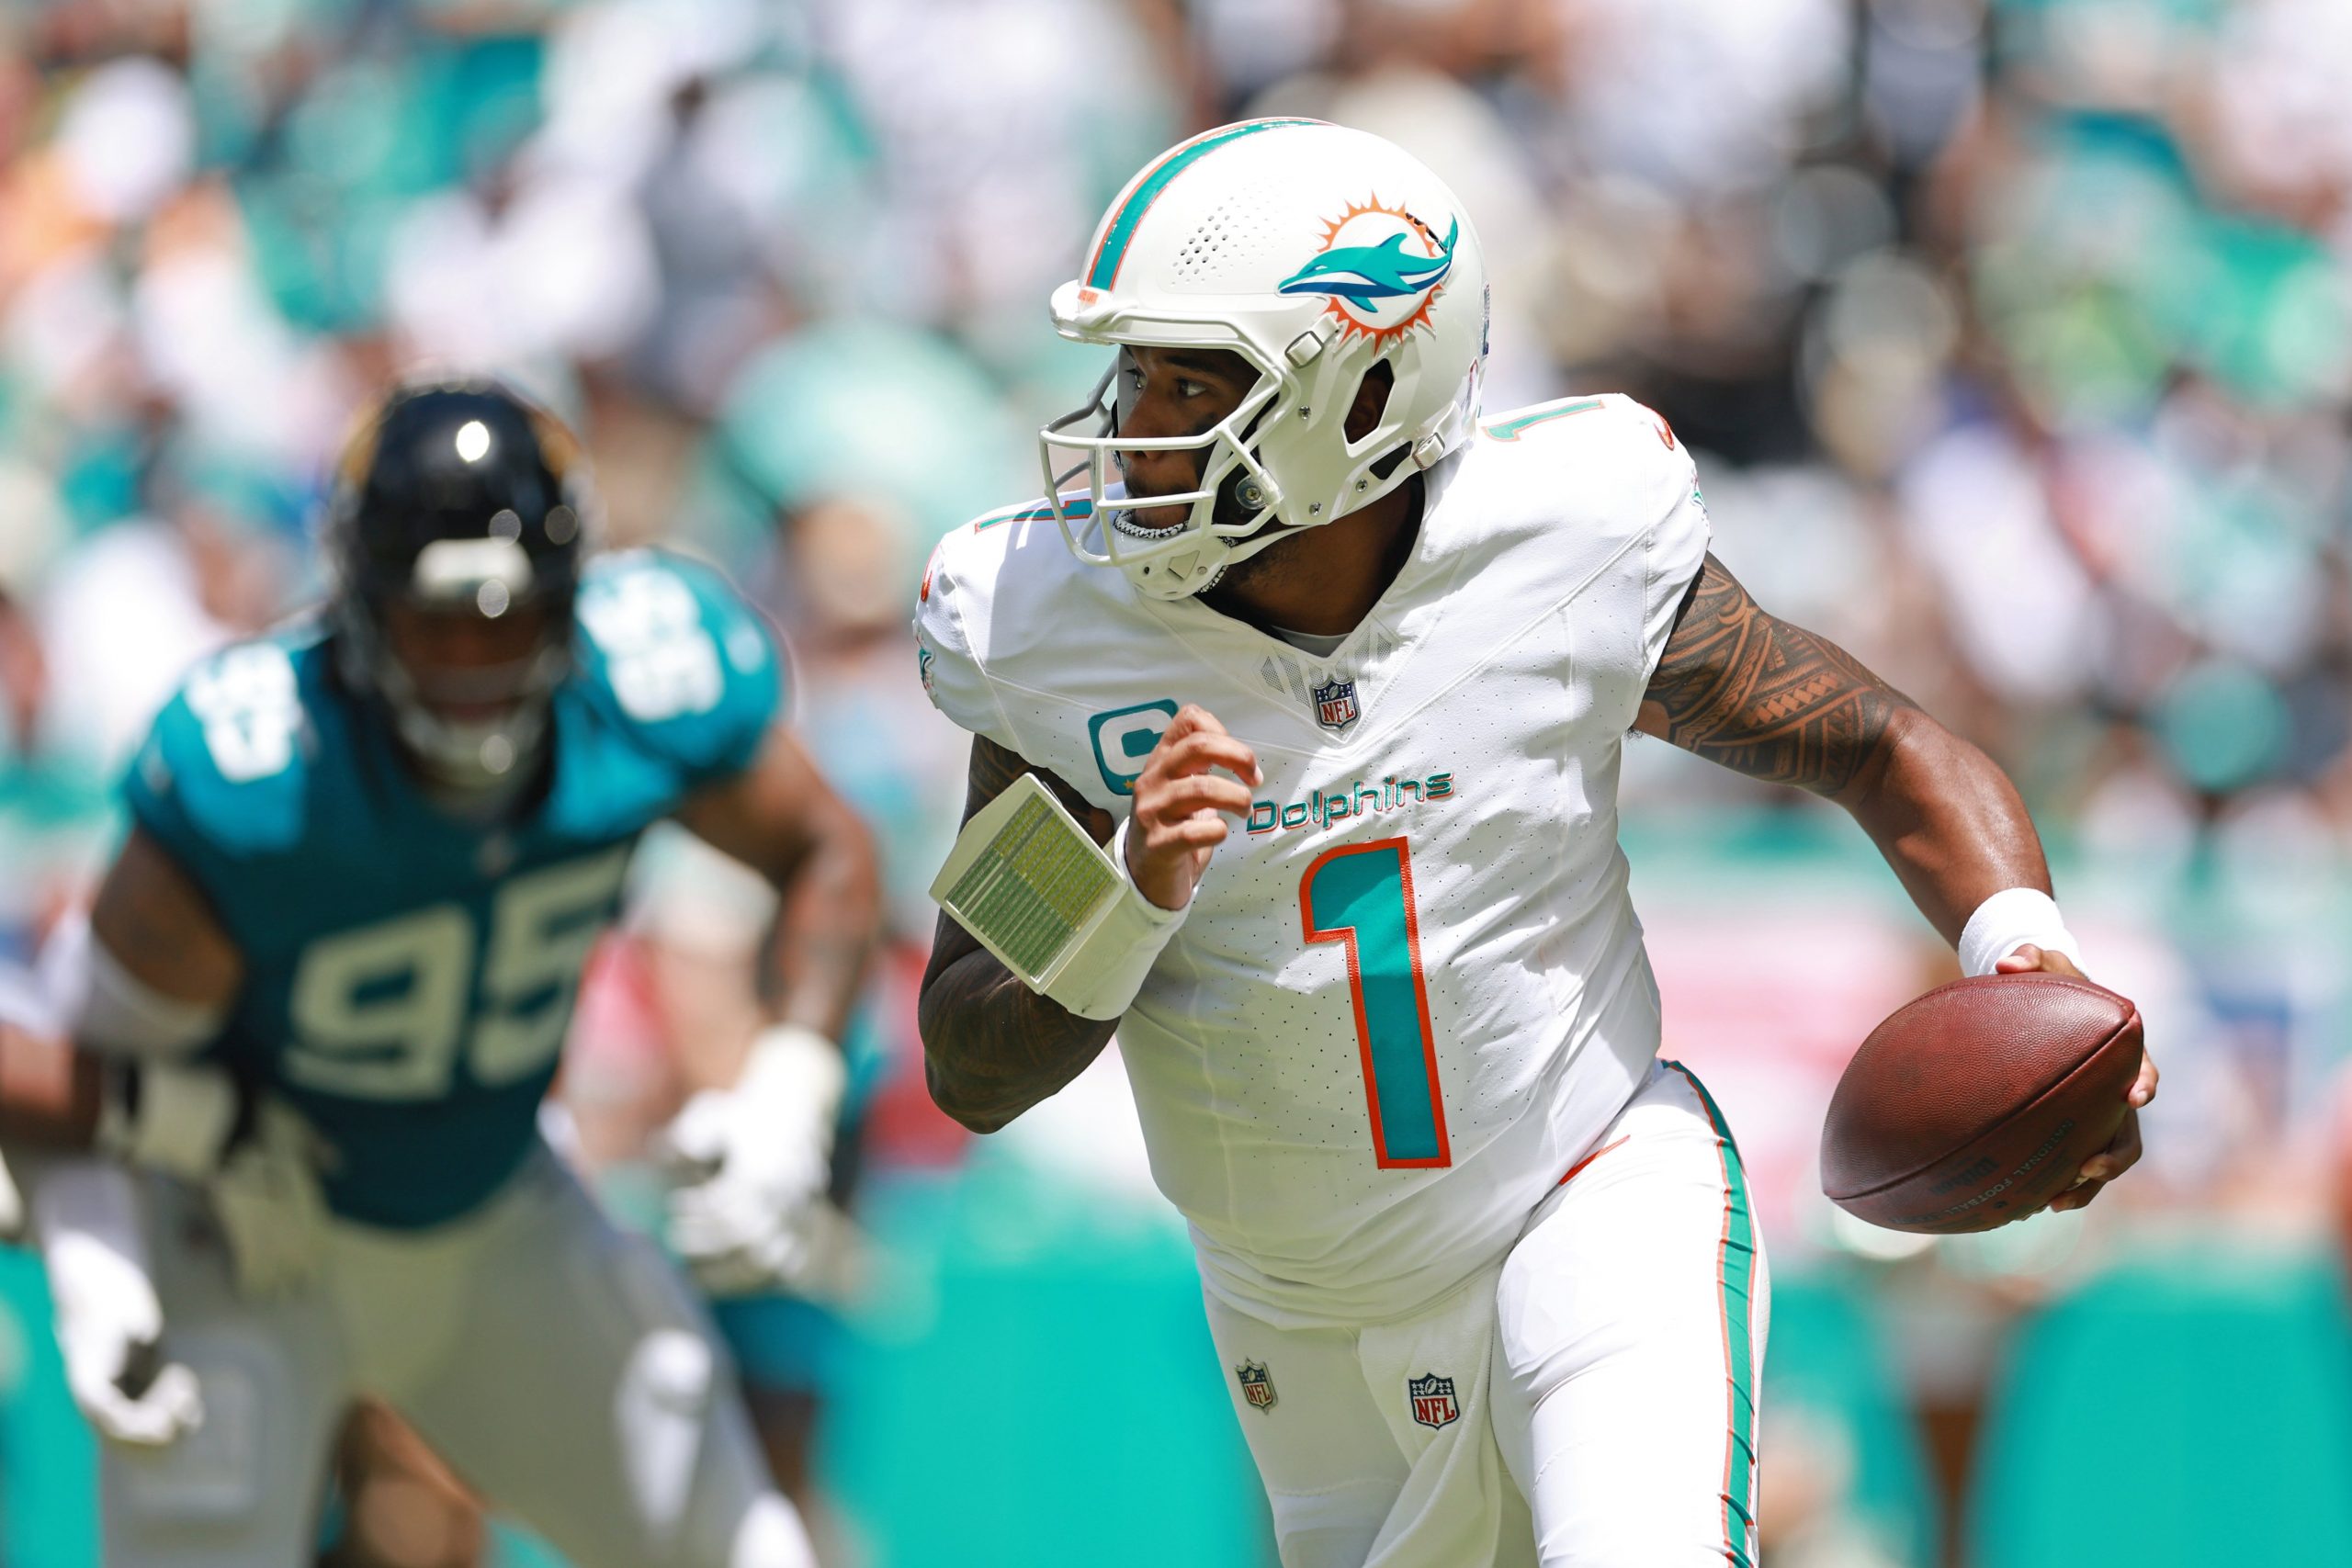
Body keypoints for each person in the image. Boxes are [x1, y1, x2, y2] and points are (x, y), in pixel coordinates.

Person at [911, 119, 2157, 1568]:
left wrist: (2030, 967)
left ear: (1363, 390)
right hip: (1297, 1316)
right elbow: (971, 1062)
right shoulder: (1054, 636)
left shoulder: (1564, 542)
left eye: (1195, 380)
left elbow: (1879, 748)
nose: (1136, 427)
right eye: (1132, 375)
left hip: (1586, 1188)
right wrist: (1122, 899)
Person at [1, 378, 880, 1568]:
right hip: (244, 1241)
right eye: (435, 622)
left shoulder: (647, 683)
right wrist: (104, 1263)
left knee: (744, 1552)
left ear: (571, 601)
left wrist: (792, 1082)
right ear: (357, 610)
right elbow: (69, 1056)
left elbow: (827, 846)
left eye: (504, 620)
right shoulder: (260, 776)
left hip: (491, 1217)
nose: (471, 663)